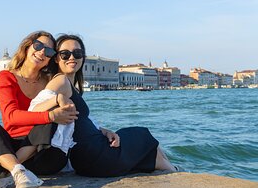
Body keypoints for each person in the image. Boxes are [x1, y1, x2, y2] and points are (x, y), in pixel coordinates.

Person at [30, 34, 178, 177]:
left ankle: (172, 169)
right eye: (65, 54)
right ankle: (174, 173)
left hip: (89, 155)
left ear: (83, 57)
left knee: (145, 142)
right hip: (92, 153)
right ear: (56, 58)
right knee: (142, 136)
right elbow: (34, 109)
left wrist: (104, 131)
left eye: (77, 53)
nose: (72, 57)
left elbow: (80, 122)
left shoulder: (71, 85)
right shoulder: (61, 81)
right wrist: (57, 100)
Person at [0, 31, 78, 188]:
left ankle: (7, 172)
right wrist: (50, 116)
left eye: (49, 51)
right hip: (13, 146)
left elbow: (72, 113)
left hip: (44, 154)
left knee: (53, 118)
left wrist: (101, 130)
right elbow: (11, 117)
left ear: (51, 58)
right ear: (27, 46)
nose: (42, 52)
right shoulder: (6, 77)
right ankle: (19, 172)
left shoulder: (52, 81)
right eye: (38, 45)